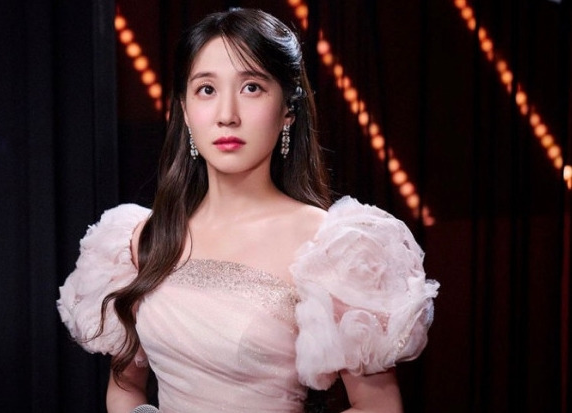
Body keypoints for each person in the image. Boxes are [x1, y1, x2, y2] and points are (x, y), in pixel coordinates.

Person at [57, 8, 439, 413]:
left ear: (288, 109)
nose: (227, 116)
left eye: (252, 87)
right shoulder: (142, 237)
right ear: (184, 110)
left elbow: (379, 406)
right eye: (206, 89)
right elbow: (124, 387)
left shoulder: (329, 246)